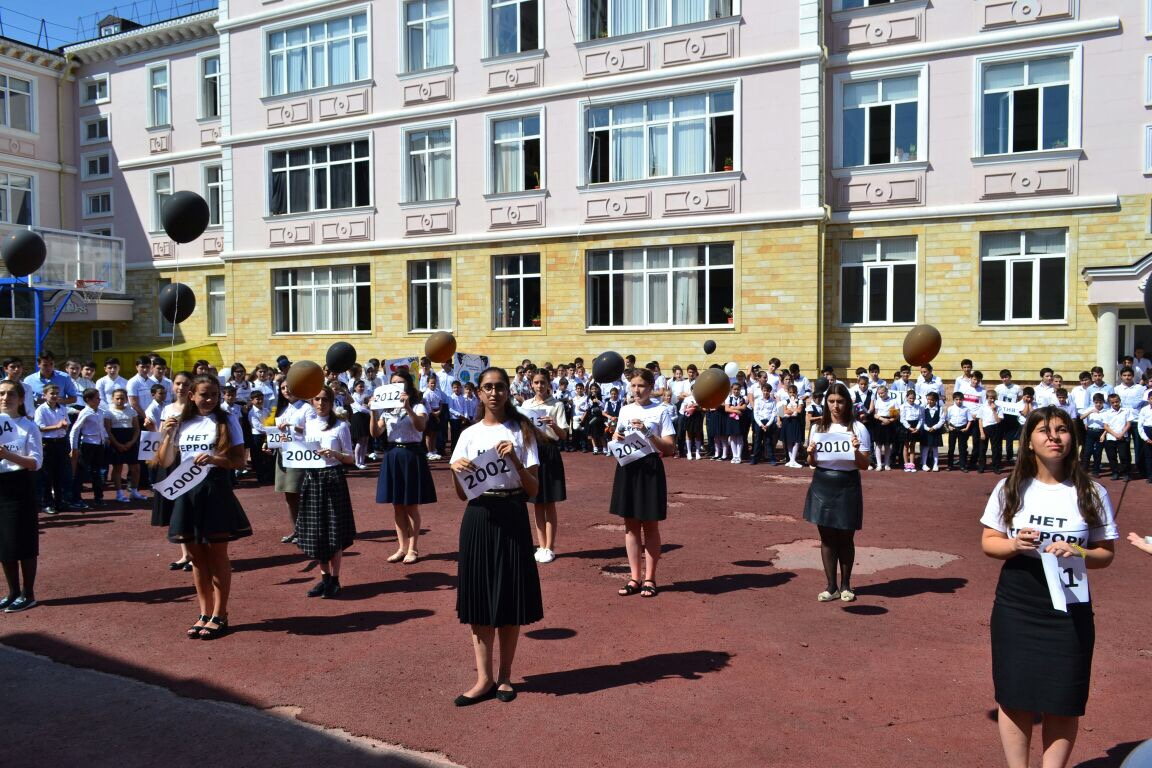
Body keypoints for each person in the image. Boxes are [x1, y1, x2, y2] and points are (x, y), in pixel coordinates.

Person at [979, 406, 1117, 768]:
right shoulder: (1010, 487)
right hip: (1018, 600)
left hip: (1071, 604)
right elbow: (989, 541)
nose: (1053, 436)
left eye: (1062, 429)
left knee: (1063, 697)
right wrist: (1014, 545)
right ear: (1028, 442)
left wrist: (1079, 551)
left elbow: (1106, 554)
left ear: (1073, 439)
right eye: (1043, 430)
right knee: (1014, 694)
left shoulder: (1091, 492)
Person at [449, 367, 542, 706]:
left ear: (508, 391)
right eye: (487, 387)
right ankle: (482, 678)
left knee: (509, 596)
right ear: (478, 393)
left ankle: (505, 676)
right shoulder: (468, 435)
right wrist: (455, 472)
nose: (494, 393)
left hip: (513, 513)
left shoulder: (523, 430)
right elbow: (461, 495)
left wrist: (516, 461)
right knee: (479, 599)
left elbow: (534, 490)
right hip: (478, 519)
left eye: (499, 387)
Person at [155, 375, 251, 640]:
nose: (209, 399)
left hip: (215, 489)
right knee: (197, 557)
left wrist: (215, 458)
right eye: (204, 394)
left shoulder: (226, 420)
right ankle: (204, 613)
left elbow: (238, 460)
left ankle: (220, 614)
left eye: (214, 394)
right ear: (192, 395)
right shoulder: (182, 422)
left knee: (217, 554)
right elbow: (164, 460)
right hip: (186, 493)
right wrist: (168, 434)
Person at [609, 368, 676, 599]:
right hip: (627, 467)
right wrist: (615, 438)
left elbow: (669, 447)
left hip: (650, 469)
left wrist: (648, 433)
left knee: (650, 526)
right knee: (630, 526)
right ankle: (634, 578)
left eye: (642, 386)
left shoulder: (662, 410)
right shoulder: (625, 409)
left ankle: (650, 578)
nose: (637, 390)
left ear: (650, 387)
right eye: (634, 385)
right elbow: (617, 437)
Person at [804, 382, 871, 603]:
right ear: (826, 403)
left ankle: (846, 585)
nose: (836, 406)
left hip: (847, 484)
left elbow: (864, 464)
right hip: (822, 483)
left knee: (845, 537)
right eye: (831, 402)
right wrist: (811, 454)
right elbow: (812, 462)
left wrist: (855, 449)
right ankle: (831, 586)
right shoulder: (818, 428)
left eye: (840, 401)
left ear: (847, 403)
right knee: (827, 538)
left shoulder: (858, 428)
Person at [297, 387, 356, 598]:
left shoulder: (341, 426)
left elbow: (351, 458)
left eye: (325, 399)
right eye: (317, 399)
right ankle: (324, 578)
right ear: (312, 402)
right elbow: (298, 451)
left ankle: (335, 579)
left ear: (332, 402)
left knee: (333, 530)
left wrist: (336, 454)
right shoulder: (307, 425)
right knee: (317, 531)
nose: (320, 403)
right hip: (312, 479)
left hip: (332, 478)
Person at [372, 371, 435, 564]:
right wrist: (373, 412)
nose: (396, 385)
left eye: (400, 382)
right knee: (397, 505)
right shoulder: (387, 410)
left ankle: (413, 548)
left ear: (408, 385)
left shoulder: (418, 405)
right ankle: (401, 547)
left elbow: (420, 427)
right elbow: (375, 432)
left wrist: (407, 407)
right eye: (393, 383)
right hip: (392, 455)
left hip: (411, 455)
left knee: (411, 505)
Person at [0, 380, 44, 612]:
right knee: (4, 543)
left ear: (19, 398)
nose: (5, 398)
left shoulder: (29, 426)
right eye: (1, 394)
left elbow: (35, 462)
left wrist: (7, 455)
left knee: (24, 541)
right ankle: (12, 591)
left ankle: (29, 593)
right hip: (0, 486)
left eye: (10, 394)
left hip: (20, 485)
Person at [522, 371, 568, 564]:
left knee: (549, 502)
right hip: (532, 453)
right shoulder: (526, 405)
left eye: (543, 382)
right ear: (531, 385)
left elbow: (564, 435)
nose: (539, 386)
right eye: (536, 382)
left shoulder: (556, 405)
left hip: (549, 452)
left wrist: (553, 425)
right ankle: (540, 545)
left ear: (549, 384)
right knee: (536, 502)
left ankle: (550, 546)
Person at [271, 381, 315, 544]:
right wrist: (269, 443)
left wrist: (293, 426)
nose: (286, 390)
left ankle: (308, 529)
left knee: (302, 493)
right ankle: (296, 530)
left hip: (300, 452)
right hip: (283, 453)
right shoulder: (282, 409)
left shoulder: (307, 408)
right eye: (282, 388)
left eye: (288, 387)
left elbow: (312, 431)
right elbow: (276, 433)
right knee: (289, 494)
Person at [33, 384, 76, 513]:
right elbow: (39, 428)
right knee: (47, 475)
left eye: (57, 393)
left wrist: (64, 426)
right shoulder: (41, 409)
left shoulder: (62, 408)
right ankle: (47, 503)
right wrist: (57, 426)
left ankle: (60, 501)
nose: (55, 396)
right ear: (45, 395)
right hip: (48, 443)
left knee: (60, 474)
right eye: (52, 393)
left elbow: (66, 423)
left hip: (61, 443)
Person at [105, 388, 145, 502]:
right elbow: (108, 430)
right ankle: (119, 494)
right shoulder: (108, 412)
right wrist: (117, 444)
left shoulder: (131, 411)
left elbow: (137, 428)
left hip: (130, 441)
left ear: (126, 399)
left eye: (122, 398)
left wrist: (131, 442)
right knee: (118, 468)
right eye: (117, 398)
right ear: (112, 399)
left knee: (136, 468)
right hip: (116, 442)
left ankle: (134, 492)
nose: (119, 400)